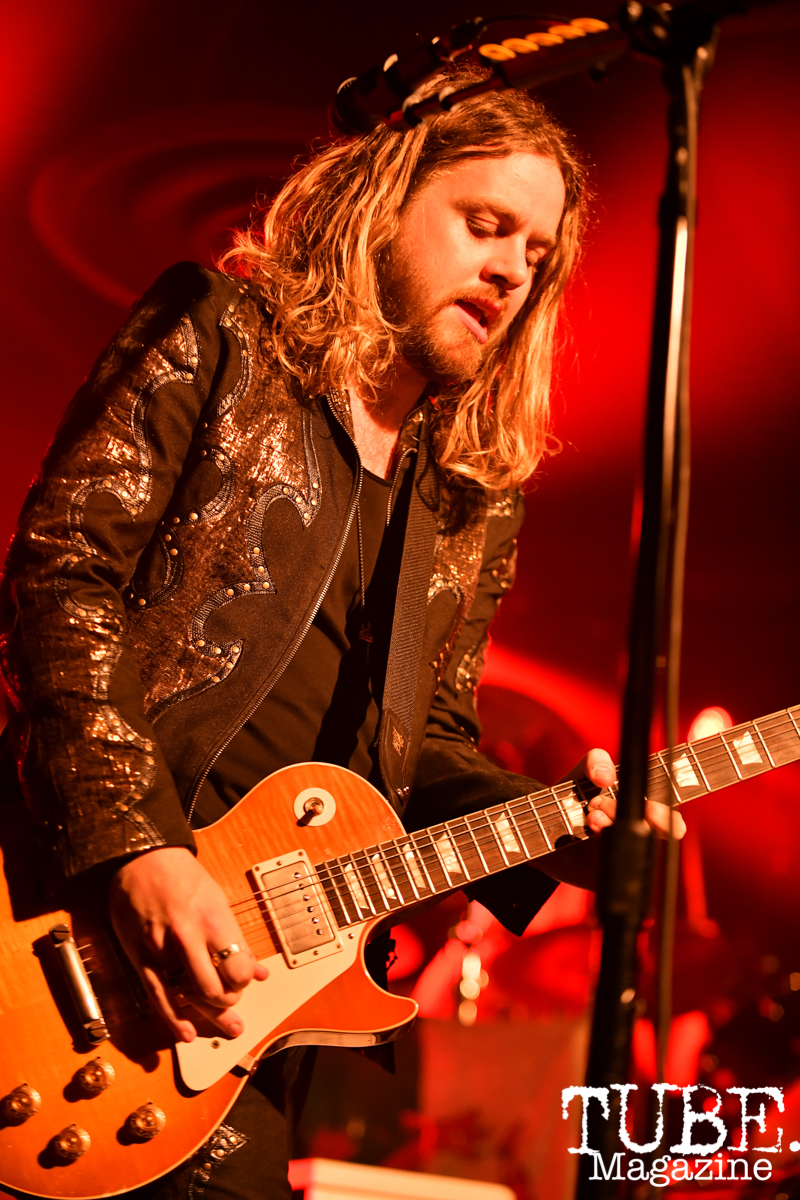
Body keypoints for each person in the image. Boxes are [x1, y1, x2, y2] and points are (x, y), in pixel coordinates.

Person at [0, 68, 683, 1199]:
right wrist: (136, 847)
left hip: (253, 1017)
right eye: (485, 225)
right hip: (65, 918)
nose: (512, 270)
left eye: (536, 253)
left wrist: (558, 833)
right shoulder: (218, 335)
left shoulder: (467, 496)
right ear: (382, 200)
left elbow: (429, 748)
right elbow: (59, 579)